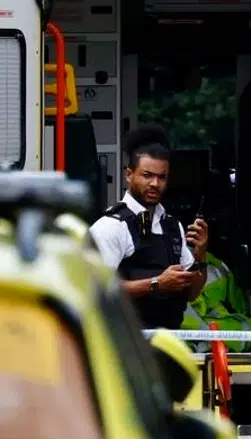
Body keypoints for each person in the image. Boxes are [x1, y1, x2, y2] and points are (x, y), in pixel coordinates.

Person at [89, 126, 209, 329]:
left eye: (162, 177)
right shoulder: (111, 226)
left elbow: (191, 294)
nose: (155, 183)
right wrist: (156, 284)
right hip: (127, 345)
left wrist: (201, 255)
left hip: (168, 342)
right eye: (147, 175)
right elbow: (96, 290)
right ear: (129, 175)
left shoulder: (172, 226)